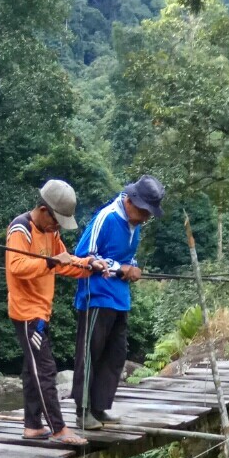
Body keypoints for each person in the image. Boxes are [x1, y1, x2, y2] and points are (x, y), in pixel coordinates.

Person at [5, 180, 107, 445]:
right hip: (27, 313)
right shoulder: (21, 229)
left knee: (33, 370)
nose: (57, 227)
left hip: (41, 310)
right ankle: (58, 428)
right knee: (46, 370)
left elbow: (65, 262)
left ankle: (33, 426)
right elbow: (17, 266)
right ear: (43, 209)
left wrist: (90, 265)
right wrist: (49, 262)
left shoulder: (51, 234)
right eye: (56, 220)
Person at [72, 175, 165, 430]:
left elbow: (126, 258)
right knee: (90, 352)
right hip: (97, 296)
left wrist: (132, 269)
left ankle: (100, 406)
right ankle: (82, 411)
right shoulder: (106, 218)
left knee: (116, 354)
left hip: (120, 299)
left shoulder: (136, 226)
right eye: (145, 211)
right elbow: (83, 256)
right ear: (131, 201)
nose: (146, 218)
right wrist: (119, 268)